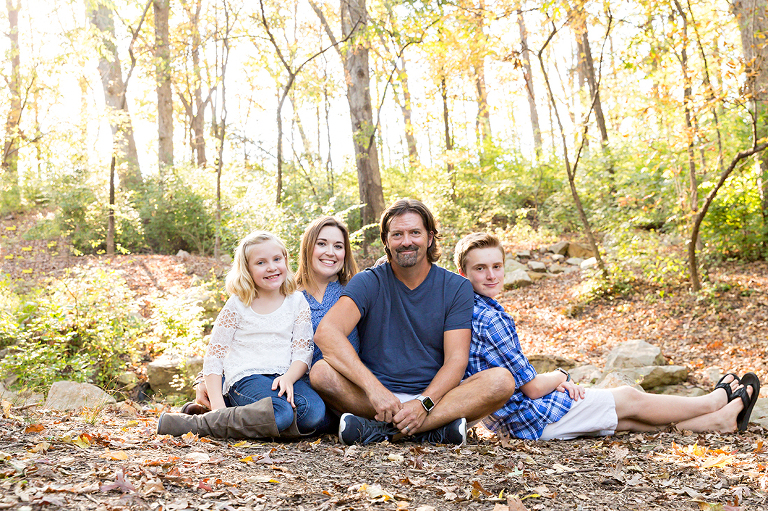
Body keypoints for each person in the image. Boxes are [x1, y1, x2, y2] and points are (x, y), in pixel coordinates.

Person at [454, 232, 762, 440]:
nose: (491, 275)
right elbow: (533, 389)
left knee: (627, 421)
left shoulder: (465, 309)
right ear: (463, 273)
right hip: (530, 418)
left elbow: (520, 381)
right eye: (480, 268)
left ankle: (718, 423)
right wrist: (561, 376)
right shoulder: (490, 318)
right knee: (629, 398)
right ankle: (711, 403)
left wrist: (554, 385)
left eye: (496, 266)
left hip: (510, 423)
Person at [310, 199, 517, 445]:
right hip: (375, 400)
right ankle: (432, 432)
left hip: (437, 399)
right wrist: (376, 391)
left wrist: (424, 403)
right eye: (397, 234)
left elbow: (456, 360)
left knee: (501, 381)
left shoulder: (456, 287)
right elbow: (327, 333)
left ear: (429, 238)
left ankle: (383, 431)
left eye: (415, 233)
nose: (406, 241)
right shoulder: (368, 282)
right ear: (386, 241)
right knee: (321, 373)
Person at [157, 231, 327, 439]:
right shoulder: (238, 304)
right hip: (246, 377)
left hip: (284, 376)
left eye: (276, 259)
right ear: (247, 269)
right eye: (261, 262)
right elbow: (215, 355)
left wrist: (289, 378)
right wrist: (218, 404)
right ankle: (200, 422)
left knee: (314, 413)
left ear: (285, 260)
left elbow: (303, 351)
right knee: (281, 414)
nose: (271, 267)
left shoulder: (296, 301)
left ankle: (231, 415)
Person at [295, 216, 360, 365]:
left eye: (338, 246)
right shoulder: (288, 296)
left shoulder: (355, 290)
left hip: (348, 381)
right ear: (308, 247)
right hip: (298, 383)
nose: (330, 252)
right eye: (322, 244)